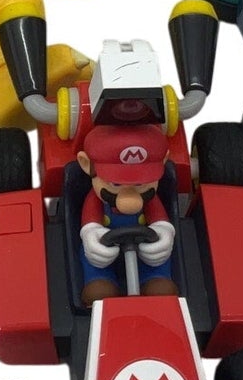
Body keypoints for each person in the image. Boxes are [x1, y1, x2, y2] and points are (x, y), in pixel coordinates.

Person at [75, 120, 178, 306]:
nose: (130, 197)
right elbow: (90, 224)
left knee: (161, 289)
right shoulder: (95, 200)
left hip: (147, 251)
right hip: (103, 251)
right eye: (116, 184)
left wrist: (163, 234)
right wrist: (92, 235)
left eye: (140, 184)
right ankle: (98, 283)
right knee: (99, 291)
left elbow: (160, 221)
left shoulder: (151, 200)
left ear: (163, 162)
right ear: (86, 164)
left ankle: (156, 281)